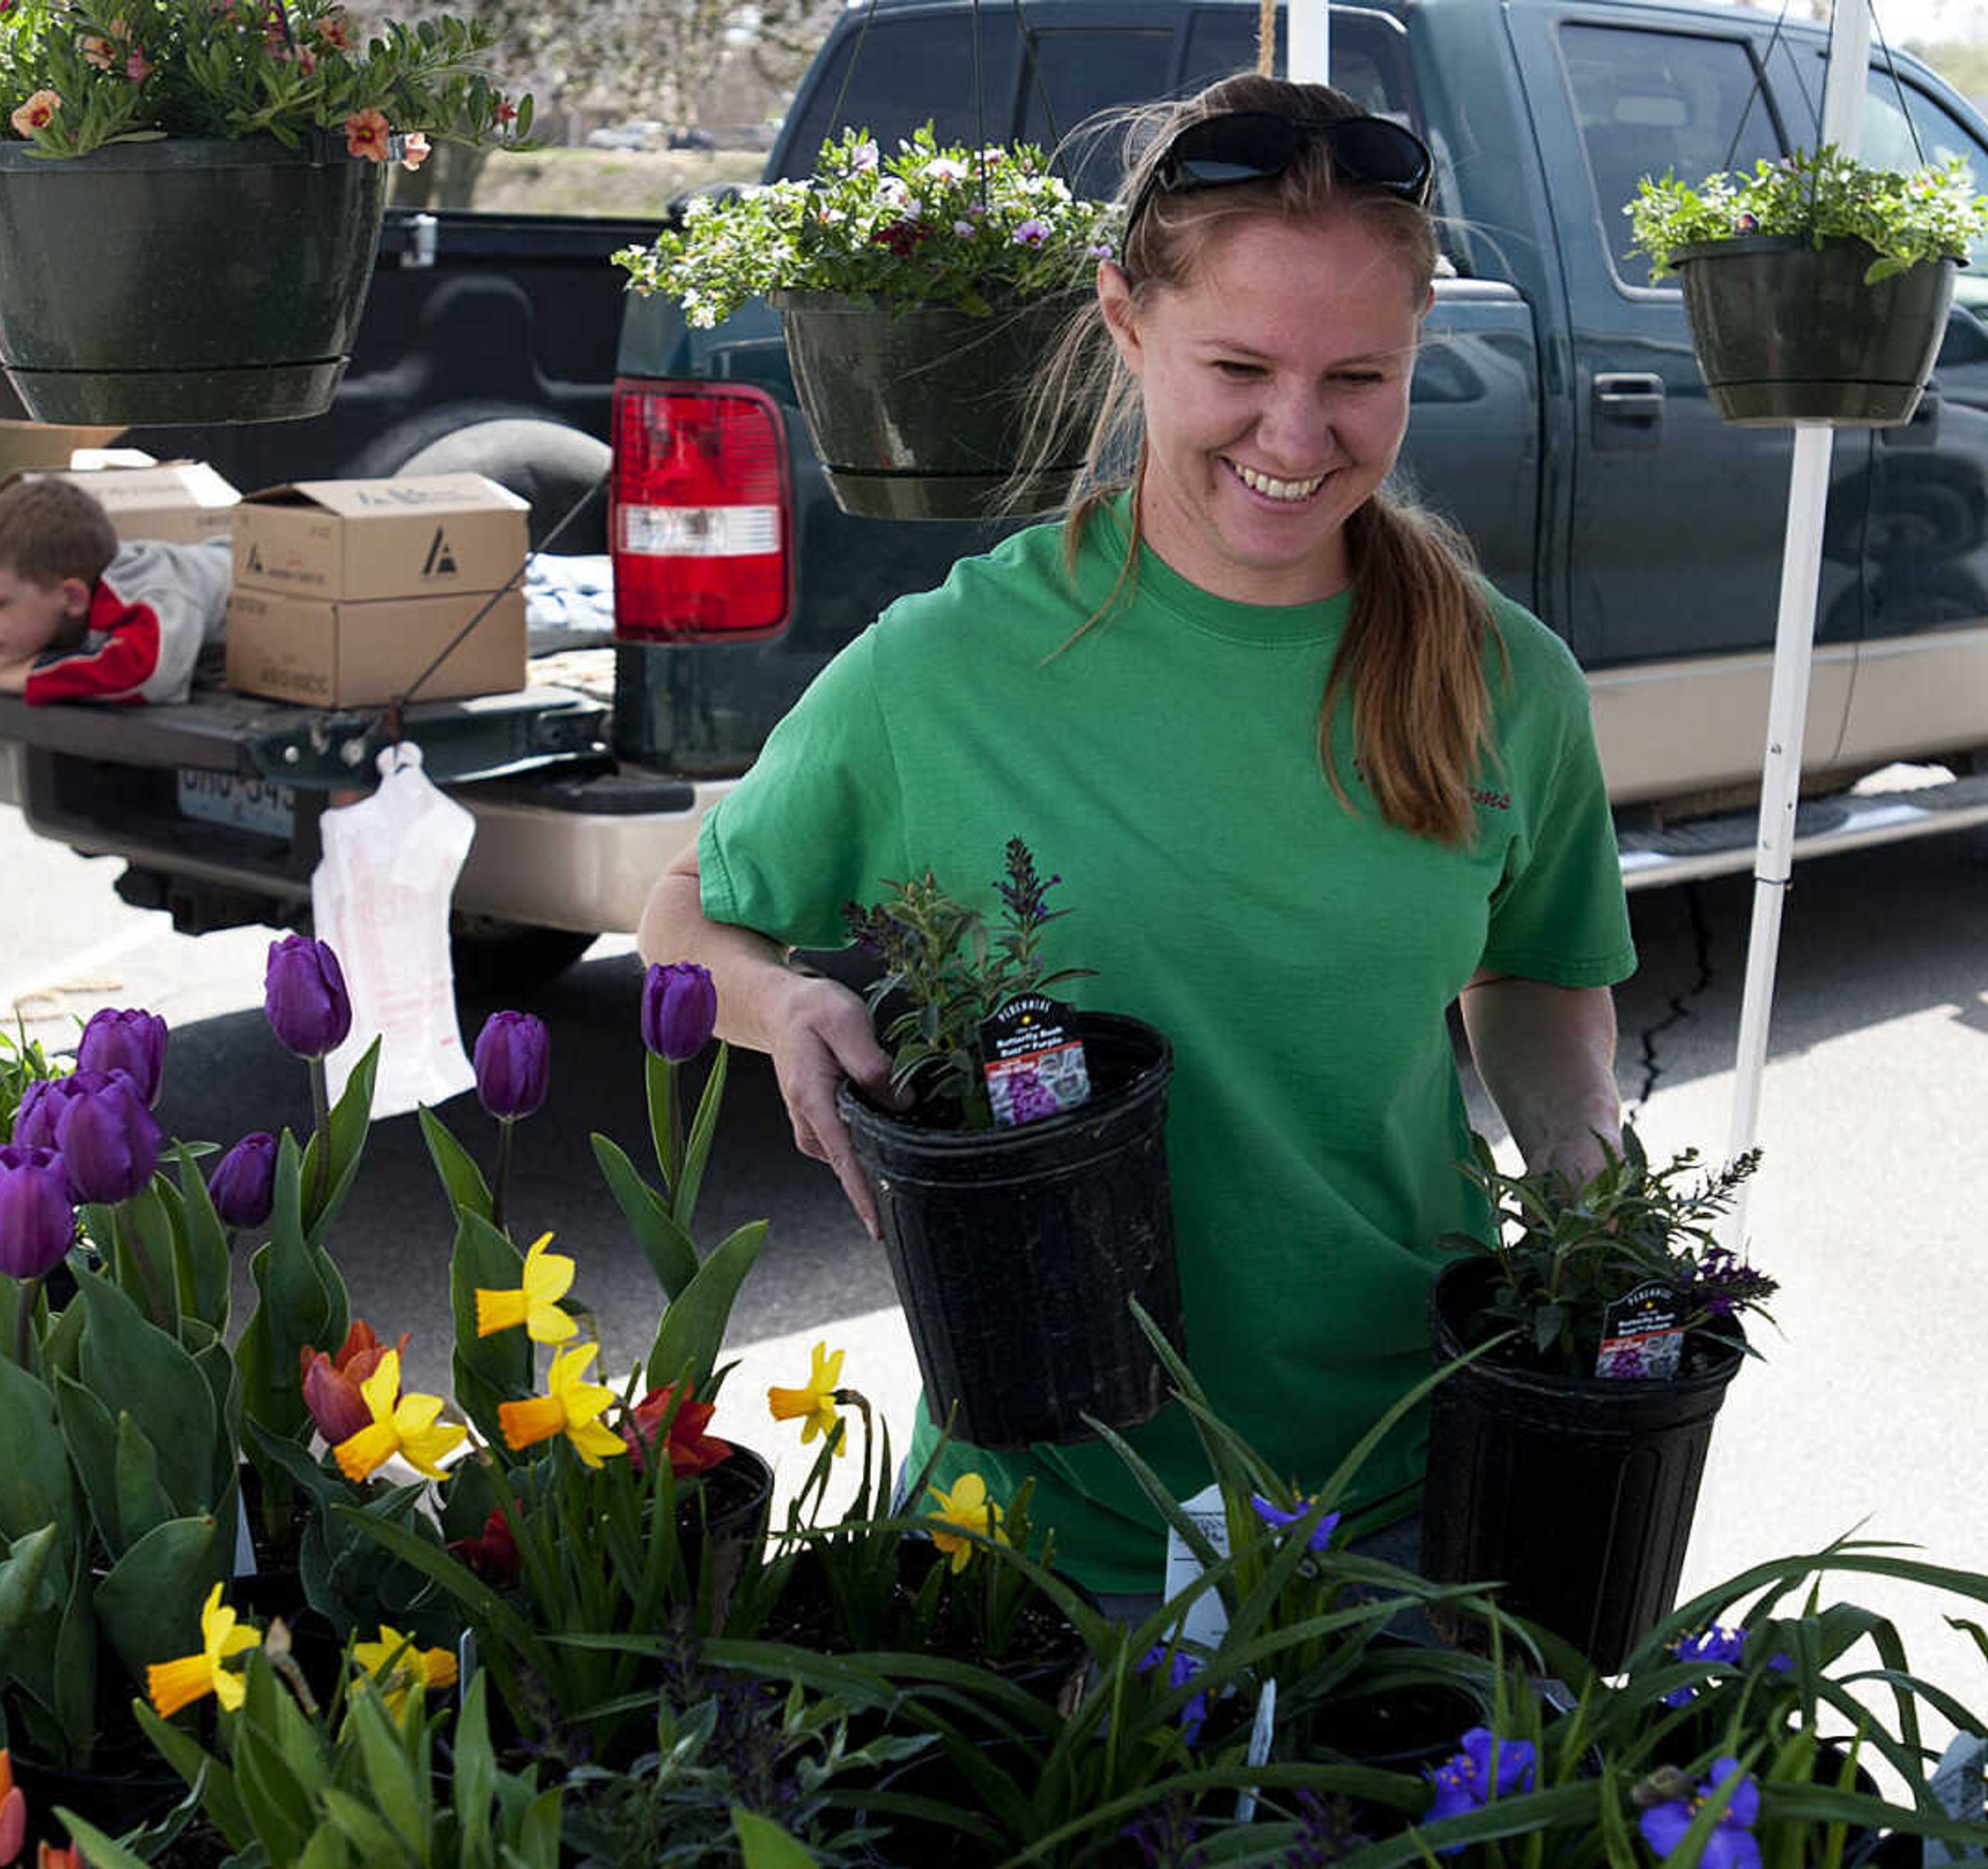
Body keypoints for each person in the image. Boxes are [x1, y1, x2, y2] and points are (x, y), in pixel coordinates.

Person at [634, 75, 1637, 1603]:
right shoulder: (945, 670)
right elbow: (683, 921)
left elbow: (1542, 1001)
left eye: (1360, 376)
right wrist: (788, 1004)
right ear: (1124, 323)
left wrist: (1600, 1238)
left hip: (1409, 1497)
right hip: (1043, 1537)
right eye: (1237, 364)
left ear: (1420, 354)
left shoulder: (1510, 684)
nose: (1294, 436)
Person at [0, 479, 233, 705]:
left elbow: (147, 677)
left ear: (72, 598)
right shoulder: (20, 585)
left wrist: (21, 677)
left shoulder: (151, 594)